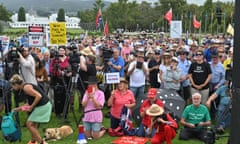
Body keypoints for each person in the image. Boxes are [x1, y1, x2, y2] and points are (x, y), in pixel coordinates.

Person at [10, 74, 51, 144]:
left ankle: (41, 142)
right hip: (41, 105)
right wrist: (18, 109)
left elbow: (38, 96)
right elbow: (28, 104)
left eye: (12, 86)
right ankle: (33, 141)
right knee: (33, 124)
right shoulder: (24, 88)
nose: (12, 88)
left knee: (29, 124)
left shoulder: (26, 88)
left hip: (43, 106)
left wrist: (31, 107)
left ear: (16, 84)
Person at [49, 46, 72, 118]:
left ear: (65, 51)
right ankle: (58, 112)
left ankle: (65, 112)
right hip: (58, 79)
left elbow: (72, 68)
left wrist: (70, 73)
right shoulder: (55, 60)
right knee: (58, 96)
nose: (61, 52)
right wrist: (58, 71)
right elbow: (51, 70)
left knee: (66, 95)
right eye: (60, 50)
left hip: (67, 79)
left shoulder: (68, 59)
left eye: (62, 50)